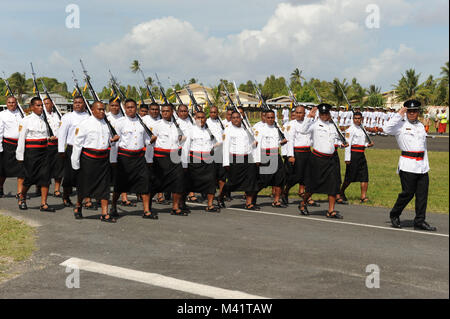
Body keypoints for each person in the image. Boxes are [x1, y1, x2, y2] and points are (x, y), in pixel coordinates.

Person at [383, 99, 436, 231]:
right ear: (406, 111)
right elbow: (386, 129)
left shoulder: (420, 126)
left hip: (422, 165)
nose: (412, 113)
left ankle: (419, 221)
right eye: (409, 111)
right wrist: (399, 114)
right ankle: (394, 214)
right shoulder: (400, 125)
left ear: (418, 112)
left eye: (414, 111)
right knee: (408, 193)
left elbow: (423, 147)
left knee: (422, 195)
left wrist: (426, 165)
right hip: (408, 165)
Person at [71, 101, 119, 222]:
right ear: (92, 110)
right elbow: (77, 144)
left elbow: (107, 142)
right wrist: (75, 163)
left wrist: (113, 141)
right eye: (99, 109)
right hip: (88, 159)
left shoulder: (107, 124)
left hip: (103, 159)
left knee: (104, 187)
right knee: (84, 185)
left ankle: (104, 213)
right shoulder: (85, 124)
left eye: (103, 109)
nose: (102, 111)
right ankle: (78, 206)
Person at [298, 103, 348, 218]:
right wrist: (309, 116)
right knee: (313, 185)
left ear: (329, 114)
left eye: (326, 114)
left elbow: (334, 141)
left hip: (330, 160)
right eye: (322, 114)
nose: (324, 116)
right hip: (317, 159)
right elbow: (303, 130)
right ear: (319, 114)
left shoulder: (332, 126)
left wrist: (341, 144)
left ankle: (331, 210)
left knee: (333, 185)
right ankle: (303, 203)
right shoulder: (315, 125)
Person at [110, 99, 155, 219]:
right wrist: (113, 160)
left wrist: (151, 141)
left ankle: (146, 210)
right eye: (128, 107)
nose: (130, 109)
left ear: (137, 108)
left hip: (139, 157)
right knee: (120, 185)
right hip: (124, 157)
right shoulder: (120, 122)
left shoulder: (142, 123)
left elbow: (146, 139)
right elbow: (115, 142)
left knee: (144, 183)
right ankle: (113, 206)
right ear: (125, 109)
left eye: (133, 107)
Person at [15, 97, 55, 212]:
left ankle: (44, 203)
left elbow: (45, 135)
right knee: (30, 177)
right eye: (37, 105)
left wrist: (49, 138)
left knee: (46, 177)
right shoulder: (26, 120)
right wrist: (20, 156)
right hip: (32, 152)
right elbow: (21, 139)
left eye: (41, 105)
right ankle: (22, 197)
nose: (40, 108)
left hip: (44, 151)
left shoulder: (45, 120)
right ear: (32, 107)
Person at [150, 104, 187, 216]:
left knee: (178, 182)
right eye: (163, 111)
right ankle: (148, 205)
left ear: (172, 112)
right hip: (161, 157)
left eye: (167, 111)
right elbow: (150, 141)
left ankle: (175, 207)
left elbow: (181, 139)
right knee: (157, 182)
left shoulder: (177, 125)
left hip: (175, 157)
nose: (165, 113)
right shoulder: (157, 125)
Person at [220, 111, 259, 210]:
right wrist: (226, 162)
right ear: (231, 119)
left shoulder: (247, 129)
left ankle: (249, 203)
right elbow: (225, 147)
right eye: (233, 118)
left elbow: (252, 144)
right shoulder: (228, 130)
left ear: (241, 118)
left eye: (238, 117)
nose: (236, 119)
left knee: (251, 180)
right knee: (233, 182)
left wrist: (256, 158)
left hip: (248, 158)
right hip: (235, 158)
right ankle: (221, 196)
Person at [183, 111, 221, 212]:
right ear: (195, 118)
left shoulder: (210, 130)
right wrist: (184, 163)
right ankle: (182, 204)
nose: (201, 119)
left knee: (211, 182)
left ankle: (210, 205)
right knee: (188, 183)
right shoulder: (190, 130)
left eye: (203, 117)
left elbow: (217, 143)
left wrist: (211, 151)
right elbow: (185, 147)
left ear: (205, 118)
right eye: (198, 117)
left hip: (208, 161)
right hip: (194, 161)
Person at [58, 96, 90, 207]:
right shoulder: (68, 117)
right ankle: (66, 197)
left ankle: (86, 199)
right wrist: (61, 150)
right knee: (69, 175)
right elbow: (62, 134)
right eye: (75, 102)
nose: (77, 104)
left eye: (80, 103)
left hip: (85, 149)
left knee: (85, 175)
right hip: (71, 149)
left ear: (84, 104)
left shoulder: (89, 116)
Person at [283, 105, 318, 208]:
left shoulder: (310, 123)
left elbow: (312, 138)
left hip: (307, 151)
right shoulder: (291, 124)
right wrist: (291, 155)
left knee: (308, 176)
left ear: (304, 113)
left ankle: (306, 198)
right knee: (297, 176)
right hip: (297, 152)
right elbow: (290, 141)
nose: (298, 115)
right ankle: (286, 191)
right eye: (297, 113)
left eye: (301, 113)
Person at [254, 110, 287, 207]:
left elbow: (283, 140)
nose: (270, 119)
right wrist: (257, 159)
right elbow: (257, 145)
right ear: (264, 118)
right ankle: (252, 198)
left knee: (280, 178)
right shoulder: (260, 129)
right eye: (268, 117)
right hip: (265, 156)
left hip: (276, 155)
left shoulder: (277, 128)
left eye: (272, 117)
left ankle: (276, 200)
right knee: (263, 180)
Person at [339, 112, 374, 203]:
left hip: (361, 154)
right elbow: (348, 144)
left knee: (364, 176)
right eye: (355, 118)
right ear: (353, 119)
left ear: (361, 119)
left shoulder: (363, 129)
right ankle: (341, 191)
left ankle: (363, 196)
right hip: (353, 155)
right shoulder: (350, 130)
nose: (357, 120)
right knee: (350, 177)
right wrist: (347, 158)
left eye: (359, 118)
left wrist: (367, 145)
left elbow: (361, 143)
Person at [0, 96, 25, 198]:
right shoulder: (2, 115)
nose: (11, 104)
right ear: (6, 103)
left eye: (13, 102)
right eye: (9, 103)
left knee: (21, 169)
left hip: (20, 145)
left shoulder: (21, 114)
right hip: (7, 145)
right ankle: (0, 187)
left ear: (16, 103)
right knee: (3, 170)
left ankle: (20, 193)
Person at [206, 105, 227, 207]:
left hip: (221, 152)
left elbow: (225, 136)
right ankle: (210, 197)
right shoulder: (206, 123)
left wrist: (222, 142)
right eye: (211, 112)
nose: (213, 114)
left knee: (222, 177)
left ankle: (221, 197)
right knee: (211, 177)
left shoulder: (221, 123)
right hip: (211, 152)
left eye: (215, 112)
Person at [43, 97, 63, 198]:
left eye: (48, 103)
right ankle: (40, 187)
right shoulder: (42, 116)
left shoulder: (57, 116)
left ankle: (57, 189)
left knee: (58, 167)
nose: (46, 106)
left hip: (57, 145)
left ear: (52, 104)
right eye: (44, 104)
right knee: (45, 168)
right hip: (47, 145)